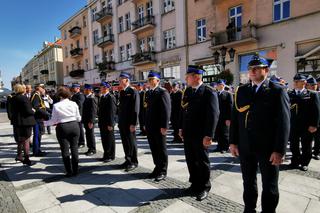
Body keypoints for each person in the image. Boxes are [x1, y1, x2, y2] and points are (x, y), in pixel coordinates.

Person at [230, 54, 290, 213]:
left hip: (268, 148)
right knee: (248, 181)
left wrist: (279, 150)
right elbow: (235, 118)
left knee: (269, 184)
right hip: (245, 146)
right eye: (250, 68)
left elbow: (284, 123)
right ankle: (249, 208)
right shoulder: (241, 90)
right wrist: (233, 142)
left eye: (257, 68)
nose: (253, 71)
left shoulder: (277, 91)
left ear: (266, 70)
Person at [179, 65, 219, 201]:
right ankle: (195, 183)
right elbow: (184, 111)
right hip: (188, 133)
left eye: (188, 76)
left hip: (201, 134)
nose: (186, 78)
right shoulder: (188, 91)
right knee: (191, 160)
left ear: (196, 77)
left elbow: (213, 115)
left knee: (202, 161)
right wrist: (181, 128)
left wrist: (209, 135)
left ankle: (204, 186)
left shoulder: (209, 92)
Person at [44, 87, 81, 177]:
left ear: (60, 95)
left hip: (63, 127)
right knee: (74, 148)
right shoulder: (74, 103)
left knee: (65, 150)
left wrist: (44, 123)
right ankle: (75, 170)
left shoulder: (56, 105)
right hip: (74, 126)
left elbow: (53, 121)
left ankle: (69, 171)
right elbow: (79, 118)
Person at [288, 74, 320, 171]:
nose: (295, 83)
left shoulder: (312, 94)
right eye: (295, 81)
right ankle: (295, 161)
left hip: (306, 125)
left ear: (304, 82)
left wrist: (314, 125)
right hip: (293, 125)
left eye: (298, 81)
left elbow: (316, 111)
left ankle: (304, 162)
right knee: (293, 145)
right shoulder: (289, 93)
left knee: (306, 145)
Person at [145, 71, 171, 181]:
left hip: (159, 126)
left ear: (158, 81)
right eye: (149, 79)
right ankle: (157, 167)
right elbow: (146, 110)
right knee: (154, 148)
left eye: (152, 79)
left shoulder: (162, 92)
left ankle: (163, 170)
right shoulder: (148, 92)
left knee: (161, 149)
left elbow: (166, 110)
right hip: (150, 126)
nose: (150, 81)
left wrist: (164, 126)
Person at [118, 72, 140, 172]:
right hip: (123, 122)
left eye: (121, 79)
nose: (119, 81)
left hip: (130, 122)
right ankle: (128, 159)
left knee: (131, 142)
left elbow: (135, 109)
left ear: (126, 80)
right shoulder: (122, 91)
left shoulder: (133, 91)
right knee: (125, 142)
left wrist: (134, 123)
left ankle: (134, 162)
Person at [10, 84, 36, 166]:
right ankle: (27, 159)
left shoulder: (12, 98)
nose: (25, 89)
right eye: (24, 88)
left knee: (20, 140)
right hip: (26, 122)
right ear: (22, 89)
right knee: (26, 140)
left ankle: (19, 155)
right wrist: (33, 111)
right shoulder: (23, 98)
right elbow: (28, 111)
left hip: (17, 122)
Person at [98, 82, 117, 162]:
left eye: (102, 87)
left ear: (106, 88)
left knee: (109, 140)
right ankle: (106, 154)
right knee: (104, 140)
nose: (100, 89)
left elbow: (112, 111)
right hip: (102, 122)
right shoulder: (102, 97)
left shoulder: (110, 97)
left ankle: (110, 156)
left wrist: (111, 124)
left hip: (108, 123)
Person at [214, 79, 233, 153]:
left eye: (220, 85)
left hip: (225, 117)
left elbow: (230, 107)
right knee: (218, 132)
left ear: (223, 85)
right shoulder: (215, 93)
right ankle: (219, 146)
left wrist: (229, 118)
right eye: (218, 85)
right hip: (217, 117)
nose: (219, 86)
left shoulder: (228, 94)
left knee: (225, 133)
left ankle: (225, 147)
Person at [31, 84, 47, 156]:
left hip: (39, 118)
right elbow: (36, 107)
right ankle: (36, 151)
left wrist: (50, 111)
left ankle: (38, 150)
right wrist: (46, 114)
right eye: (43, 88)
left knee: (39, 135)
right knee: (37, 135)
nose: (44, 89)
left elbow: (43, 107)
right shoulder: (36, 96)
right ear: (38, 88)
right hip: (37, 118)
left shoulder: (38, 95)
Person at [82, 84, 98, 156]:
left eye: (85, 89)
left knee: (90, 135)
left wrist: (91, 121)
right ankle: (89, 148)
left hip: (89, 121)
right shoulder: (87, 97)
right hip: (86, 120)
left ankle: (92, 149)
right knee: (88, 134)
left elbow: (93, 111)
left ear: (90, 90)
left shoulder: (92, 98)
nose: (84, 90)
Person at [307, 77, 320, 160]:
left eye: (314, 85)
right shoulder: (307, 94)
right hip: (308, 121)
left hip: (318, 120)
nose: (313, 86)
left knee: (318, 138)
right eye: (311, 85)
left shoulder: (318, 93)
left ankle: (316, 152)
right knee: (308, 139)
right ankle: (308, 153)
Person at [71, 83, 86, 148]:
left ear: (78, 88)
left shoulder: (80, 95)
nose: (72, 89)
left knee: (80, 129)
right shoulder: (74, 95)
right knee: (76, 129)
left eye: (74, 88)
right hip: (74, 114)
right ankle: (78, 141)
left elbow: (79, 105)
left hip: (78, 114)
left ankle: (82, 142)